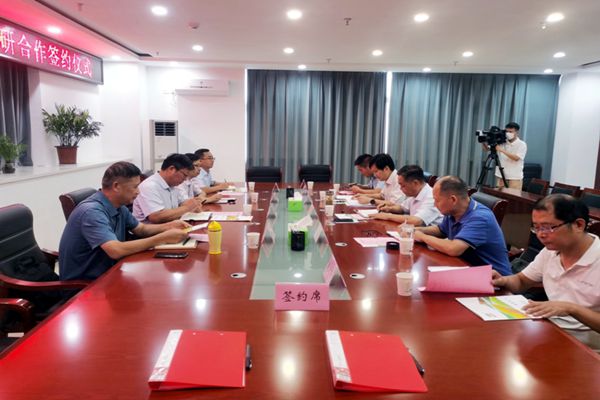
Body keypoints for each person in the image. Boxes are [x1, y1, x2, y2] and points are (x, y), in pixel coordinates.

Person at [492, 194, 600, 348]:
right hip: (548, 330)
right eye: (536, 227)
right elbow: (521, 281)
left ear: (578, 225)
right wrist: (503, 280)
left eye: (548, 227)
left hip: (586, 347)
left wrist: (571, 308)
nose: (541, 235)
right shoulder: (550, 251)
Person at [59, 161, 190, 281]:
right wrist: (162, 238)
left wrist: (169, 226)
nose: (138, 192)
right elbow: (115, 250)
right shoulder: (92, 212)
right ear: (116, 186)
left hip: (111, 272)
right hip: (85, 286)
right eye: (135, 187)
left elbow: (141, 229)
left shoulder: (119, 206)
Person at [414, 175, 512, 275]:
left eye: (437, 200)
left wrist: (422, 237)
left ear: (453, 200)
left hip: (494, 278)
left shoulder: (480, 217)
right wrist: (416, 230)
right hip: (467, 268)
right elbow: (441, 230)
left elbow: (453, 249)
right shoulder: (453, 211)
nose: (435, 205)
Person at [133, 153, 203, 223]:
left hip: (171, 225)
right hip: (154, 229)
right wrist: (187, 208)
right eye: (184, 175)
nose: (185, 179)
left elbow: (183, 202)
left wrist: (194, 204)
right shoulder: (149, 186)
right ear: (171, 169)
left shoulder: (173, 184)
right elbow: (156, 217)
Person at [371, 165, 442, 226]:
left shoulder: (432, 197)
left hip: (430, 235)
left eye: (403, 186)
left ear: (415, 183)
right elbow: (402, 208)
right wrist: (389, 209)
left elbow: (416, 221)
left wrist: (388, 216)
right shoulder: (415, 193)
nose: (400, 188)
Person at [483, 122, 527, 189]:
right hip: (501, 175)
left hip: (514, 178)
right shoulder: (501, 141)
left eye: (510, 132)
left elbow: (516, 158)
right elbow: (487, 149)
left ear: (517, 132)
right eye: (506, 131)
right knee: (499, 195)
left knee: (513, 195)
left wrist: (501, 150)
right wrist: (483, 142)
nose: (508, 133)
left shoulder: (522, 144)